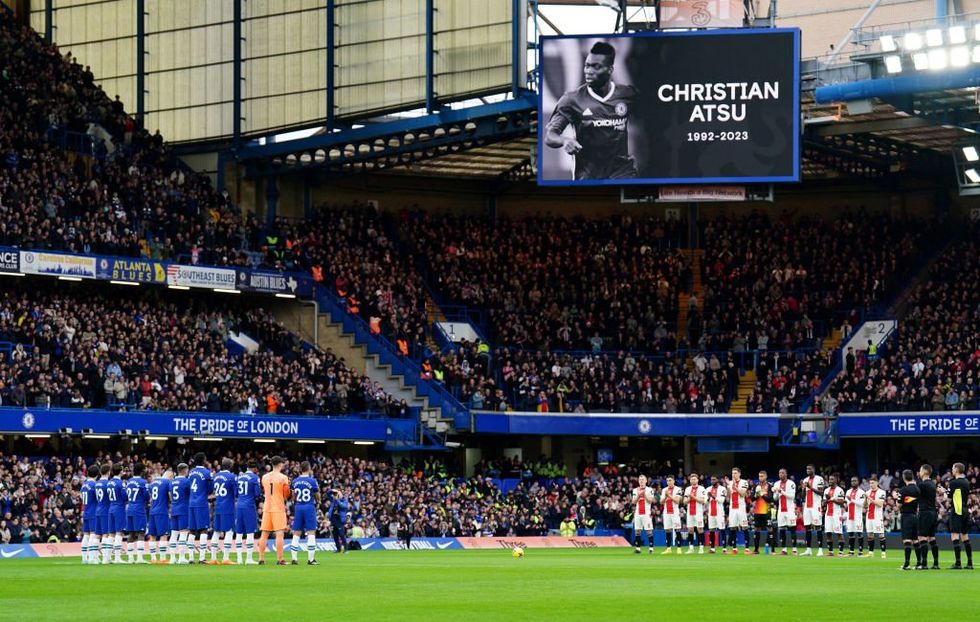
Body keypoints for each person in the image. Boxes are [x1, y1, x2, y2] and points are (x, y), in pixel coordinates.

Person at [544, 41, 638, 180]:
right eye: (587, 66)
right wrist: (564, 140)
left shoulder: (627, 94)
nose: (589, 71)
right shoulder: (572, 99)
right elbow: (550, 136)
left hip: (622, 173)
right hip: (588, 178)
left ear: (610, 70)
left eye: (596, 67)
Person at [258, 456, 290, 565]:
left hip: (267, 507)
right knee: (279, 534)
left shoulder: (264, 477)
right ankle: (280, 559)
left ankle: (261, 559)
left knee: (264, 534)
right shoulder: (283, 478)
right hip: (278, 508)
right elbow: (286, 494)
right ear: (280, 464)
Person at [290, 461, 321, 565]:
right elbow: (317, 494)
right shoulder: (312, 481)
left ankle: (294, 559)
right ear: (308, 469)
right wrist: (319, 502)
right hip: (309, 507)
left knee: (296, 532)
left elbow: (293, 496)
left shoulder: (295, 481)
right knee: (311, 532)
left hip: (298, 507)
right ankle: (311, 559)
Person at [187, 453, 214, 564]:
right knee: (203, 530)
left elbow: (189, 486)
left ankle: (190, 558)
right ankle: (202, 558)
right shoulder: (207, 473)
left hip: (191, 503)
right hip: (201, 503)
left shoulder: (191, 472)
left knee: (192, 531)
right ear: (203, 460)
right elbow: (210, 489)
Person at [234, 460, 262, 565]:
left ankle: (239, 559)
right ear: (254, 468)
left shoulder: (239, 477)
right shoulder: (255, 478)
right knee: (250, 532)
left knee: (239, 533)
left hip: (239, 505)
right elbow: (257, 493)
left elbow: (236, 493)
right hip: (249, 506)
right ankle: (249, 558)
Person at [947, 462, 973, 570]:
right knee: (965, 536)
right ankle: (970, 563)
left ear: (957, 470)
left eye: (953, 468)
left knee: (954, 535)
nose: (952, 470)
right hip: (965, 509)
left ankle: (958, 563)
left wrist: (945, 493)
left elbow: (949, 500)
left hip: (957, 509)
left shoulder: (953, 482)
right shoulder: (967, 482)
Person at [212, 458, 237, 564]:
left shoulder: (216, 476)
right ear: (230, 466)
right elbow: (236, 493)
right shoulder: (232, 477)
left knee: (216, 532)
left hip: (217, 506)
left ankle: (213, 559)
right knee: (229, 531)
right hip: (228, 507)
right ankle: (225, 558)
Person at [124, 463, 149, 563]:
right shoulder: (143, 482)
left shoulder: (129, 481)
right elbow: (147, 496)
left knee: (131, 533)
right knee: (141, 532)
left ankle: (130, 558)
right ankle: (139, 558)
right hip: (139, 509)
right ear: (142, 471)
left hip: (129, 508)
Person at [895, 469, 920, 570]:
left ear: (904, 477)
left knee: (907, 540)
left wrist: (896, 498)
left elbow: (899, 505)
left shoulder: (903, 490)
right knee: (915, 540)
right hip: (915, 515)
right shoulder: (917, 489)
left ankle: (906, 564)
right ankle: (919, 563)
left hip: (906, 516)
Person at [147, 468, 172, 564]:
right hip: (162, 511)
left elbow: (151, 497)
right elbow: (170, 496)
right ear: (170, 476)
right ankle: (162, 558)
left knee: (152, 535)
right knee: (164, 534)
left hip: (152, 510)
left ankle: (153, 559)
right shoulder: (167, 483)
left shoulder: (153, 482)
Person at [916, 464, 939, 570]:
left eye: (920, 470)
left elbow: (914, 495)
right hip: (933, 512)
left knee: (922, 537)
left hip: (925, 512)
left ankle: (924, 564)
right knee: (932, 538)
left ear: (925, 472)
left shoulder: (922, 485)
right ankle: (935, 563)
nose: (919, 472)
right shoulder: (933, 484)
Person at [800, 464, 825, 556]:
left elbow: (821, 493)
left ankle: (820, 550)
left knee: (818, 526)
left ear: (814, 469)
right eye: (806, 469)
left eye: (809, 469)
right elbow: (803, 497)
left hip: (816, 506)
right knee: (807, 527)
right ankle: (808, 550)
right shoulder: (805, 480)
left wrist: (810, 487)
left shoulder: (819, 479)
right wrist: (803, 488)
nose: (808, 470)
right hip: (807, 506)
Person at [169, 463, 191, 564]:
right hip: (183, 509)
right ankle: (182, 557)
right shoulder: (186, 482)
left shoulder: (172, 482)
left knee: (174, 534)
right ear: (185, 470)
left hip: (174, 509)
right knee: (183, 533)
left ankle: (172, 558)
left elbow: (170, 495)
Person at [726, 467, 751, 555]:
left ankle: (747, 549)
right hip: (732, 508)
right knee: (732, 527)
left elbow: (743, 494)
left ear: (739, 474)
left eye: (735, 473)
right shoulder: (730, 483)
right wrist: (728, 487)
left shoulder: (744, 482)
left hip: (741, 507)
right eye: (732, 473)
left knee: (744, 527)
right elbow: (728, 497)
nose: (734, 475)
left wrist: (735, 488)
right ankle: (734, 548)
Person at [773, 468, 797, 555]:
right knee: (782, 529)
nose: (780, 474)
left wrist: (782, 492)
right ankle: (784, 549)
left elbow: (792, 496)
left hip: (790, 509)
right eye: (779, 473)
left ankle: (794, 549)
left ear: (786, 474)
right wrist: (776, 492)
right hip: (781, 510)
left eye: (782, 473)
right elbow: (775, 498)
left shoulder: (791, 483)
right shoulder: (776, 483)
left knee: (792, 529)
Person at [107, 463, 127, 564]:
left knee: (111, 534)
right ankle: (117, 558)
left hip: (111, 507)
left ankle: (107, 558)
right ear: (120, 471)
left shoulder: (109, 482)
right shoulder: (121, 483)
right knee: (119, 533)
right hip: (119, 508)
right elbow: (125, 497)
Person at [630, 474, 655, 554]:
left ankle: (651, 548)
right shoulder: (635, 490)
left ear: (646, 481)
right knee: (637, 531)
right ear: (638, 481)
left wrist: (644, 495)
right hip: (638, 513)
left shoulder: (650, 490)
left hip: (646, 513)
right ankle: (638, 548)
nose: (641, 481)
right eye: (640, 479)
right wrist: (638, 495)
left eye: (643, 479)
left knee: (649, 531)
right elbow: (633, 502)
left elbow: (651, 500)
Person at [80, 464, 99, 565]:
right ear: (97, 474)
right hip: (93, 512)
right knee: (93, 535)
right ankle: (92, 558)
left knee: (86, 535)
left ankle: (84, 558)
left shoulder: (84, 485)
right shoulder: (94, 485)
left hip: (86, 511)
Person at [682, 473, 706, 554]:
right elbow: (684, 501)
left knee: (700, 529)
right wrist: (690, 498)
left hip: (698, 512)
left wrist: (693, 497)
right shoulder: (687, 489)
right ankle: (691, 548)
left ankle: (701, 547)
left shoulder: (701, 488)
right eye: (692, 479)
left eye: (695, 479)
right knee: (690, 530)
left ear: (698, 480)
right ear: (690, 480)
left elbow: (703, 500)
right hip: (690, 512)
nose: (693, 480)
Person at [864, 475, 887, 559]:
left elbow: (880, 504)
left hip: (877, 516)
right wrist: (865, 501)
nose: (871, 485)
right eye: (870, 483)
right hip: (869, 515)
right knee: (870, 535)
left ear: (877, 483)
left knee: (881, 534)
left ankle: (883, 553)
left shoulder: (882, 492)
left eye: (872, 483)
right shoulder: (867, 492)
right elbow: (865, 506)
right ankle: (870, 553)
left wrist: (869, 498)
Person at [823, 474, 845, 556]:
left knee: (839, 532)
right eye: (829, 479)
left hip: (836, 514)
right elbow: (823, 503)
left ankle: (841, 552)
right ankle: (830, 552)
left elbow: (841, 502)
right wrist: (826, 500)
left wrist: (831, 498)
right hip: (828, 514)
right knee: (828, 532)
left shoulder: (840, 490)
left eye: (832, 479)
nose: (830, 481)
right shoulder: (826, 490)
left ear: (836, 480)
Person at [845, 476, 866, 556]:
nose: (853, 482)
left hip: (857, 516)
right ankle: (851, 551)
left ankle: (860, 552)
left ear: (858, 482)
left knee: (859, 533)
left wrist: (852, 500)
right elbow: (846, 503)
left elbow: (862, 503)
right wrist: (847, 503)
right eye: (852, 481)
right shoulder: (848, 491)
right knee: (851, 533)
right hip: (850, 515)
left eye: (855, 481)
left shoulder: (861, 492)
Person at [705, 475, 727, 554]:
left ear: (717, 480)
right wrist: (708, 498)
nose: (712, 481)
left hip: (719, 513)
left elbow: (722, 500)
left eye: (714, 479)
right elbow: (705, 502)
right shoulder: (708, 489)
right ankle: (712, 548)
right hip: (711, 513)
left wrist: (712, 496)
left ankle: (724, 549)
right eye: (711, 480)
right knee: (711, 530)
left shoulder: (722, 489)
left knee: (722, 529)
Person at [661, 475, 682, 554]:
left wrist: (668, 495)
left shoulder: (678, 489)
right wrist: (665, 497)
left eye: (670, 480)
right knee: (667, 530)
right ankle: (668, 548)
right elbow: (661, 502)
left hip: (675, 512)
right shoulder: (664, 490)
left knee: (677, 529)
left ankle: (679, 548)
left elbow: (677, 501)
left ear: (673, 481)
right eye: (667, 481)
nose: (668, 482)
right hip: (666, 512)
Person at [94, 463, 111, 563]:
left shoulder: (97, 483)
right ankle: (105, 557)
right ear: (108, 472)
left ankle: (95, 557)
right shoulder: (107, 484)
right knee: (105, 534)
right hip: (105, 510)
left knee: (97, 534)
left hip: (98, 509)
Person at [751, 470, 771, 555]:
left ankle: (769, 549)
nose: (760, 478)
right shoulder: (756, 486)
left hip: (767, 511)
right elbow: (752, 498)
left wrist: (762, 494)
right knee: (756, 529)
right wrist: (756, 495)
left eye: (762, 476)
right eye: (759, 476)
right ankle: (756, 549)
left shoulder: (769, 486)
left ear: (766, 477)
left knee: (769, 529)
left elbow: (770, 499)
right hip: (757, 511)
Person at [327, 488, 350, 554]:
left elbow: (343, 506)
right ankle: (338, 549)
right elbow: (327, 494)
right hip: (333, 519)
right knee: (335, 535)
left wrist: (337, 499)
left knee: (342, 534)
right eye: (337, 494)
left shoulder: (344, 500)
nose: (337, 495)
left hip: (339, 520)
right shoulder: (333, 500)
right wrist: (332, 490)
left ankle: (346, 549)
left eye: (338, 493)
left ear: (341, 494)